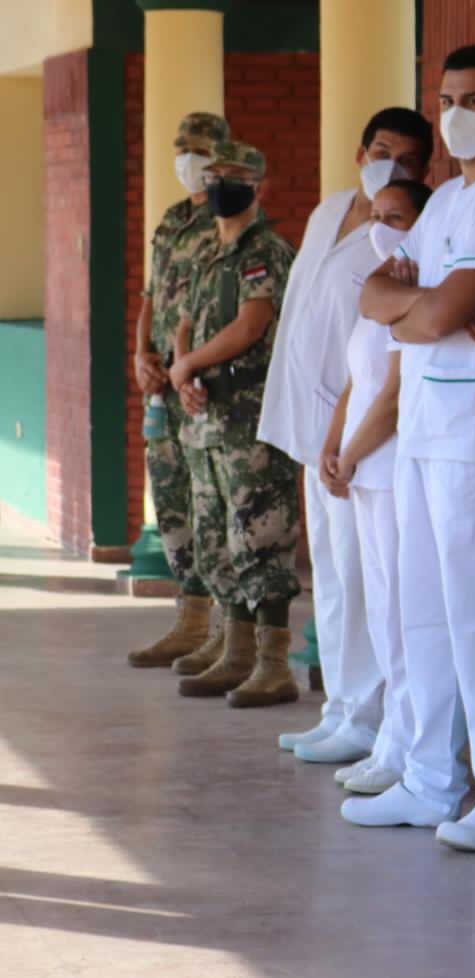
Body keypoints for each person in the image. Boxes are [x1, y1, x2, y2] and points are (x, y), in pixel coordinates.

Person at [343, 45, 475, 853]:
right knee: (422, 609)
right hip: (426, 424)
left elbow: (431, 313)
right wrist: (422, 303)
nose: (457, 110)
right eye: (446, 96)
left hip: (474, 429)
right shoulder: (447, 199)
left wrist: (422, 305)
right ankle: (430, 777)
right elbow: (376, 296)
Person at [259, 108, 433, 763]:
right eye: (382, 150)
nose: (391, 164)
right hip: (316, 426)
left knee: (363, 579)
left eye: (408, 159)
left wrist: (346, 436)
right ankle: (339, 708)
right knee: (329, 576)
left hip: (360, 434)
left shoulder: (409, 238)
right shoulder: (330, 211)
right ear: (361, 151)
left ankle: (368, 717)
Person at [167, 140, 301, 709]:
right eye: (215, 173)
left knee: (259, 541)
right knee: (218, 539)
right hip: (207, 419)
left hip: (250, 420)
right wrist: (181, 369)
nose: (221, 182)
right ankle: (235, 652)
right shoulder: (207, 253)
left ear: (259, 186)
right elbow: (187, 321)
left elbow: (250, 326)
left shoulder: (264, 251)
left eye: (235, 175)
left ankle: (273, 666)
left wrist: (192, 364)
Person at [318, 179, 430, 796]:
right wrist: (331, 449)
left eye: (399, 216)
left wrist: (352, 457)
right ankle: (391, 739)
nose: (385, 227)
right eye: (378, 216)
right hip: (361, 473)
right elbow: (353, 385)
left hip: (387, 473)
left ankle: (408, 747)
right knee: (381, 614)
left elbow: (391, 394)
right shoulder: (379, 292)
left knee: (402, 615)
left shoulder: (412, 299)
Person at [128, 111, 230, 670]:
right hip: (163, 388)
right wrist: (141, 355)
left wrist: (184, 367)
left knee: (212, 506)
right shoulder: (170, 220)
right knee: (171, 504)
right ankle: (188, 621)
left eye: (197, 147)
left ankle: (224, 631)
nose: (186, 158)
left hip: (204, 388)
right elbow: (151, 297)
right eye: (179, 146)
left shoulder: (227, 219)